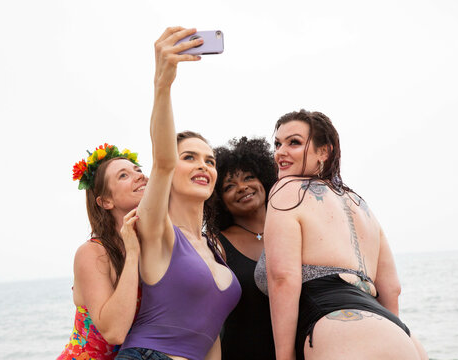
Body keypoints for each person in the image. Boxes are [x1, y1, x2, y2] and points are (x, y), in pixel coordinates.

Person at [254, 110, 428, 360]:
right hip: (400, 335)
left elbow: (283, 278)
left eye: (294, 142)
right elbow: (392, 288)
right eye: (277, 143)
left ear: (324, 151)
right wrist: (394, 333)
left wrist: (284, 356)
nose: (280, 152)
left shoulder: (286, 189)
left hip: (339, 328)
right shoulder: (360, 204)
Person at [116, 27, 241, 360]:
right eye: (190, 157)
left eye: (209, 161)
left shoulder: (213, 246)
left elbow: (212, 334)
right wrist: (163, 84)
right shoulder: (158, 230)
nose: (203, 166)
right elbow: (162, 162)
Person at [58, 143, 146, 360]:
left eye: (138, 170)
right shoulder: (92, 253)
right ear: (105, 201)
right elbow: (114, 332)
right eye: (124, 175)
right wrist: (132, 253)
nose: (140, 176)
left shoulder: (155, 245)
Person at [204, 137, 277, 359]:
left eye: (249, 177)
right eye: (229, 186)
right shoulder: (215, 244)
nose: (242, 187)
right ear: (219, 200)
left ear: (264, 180)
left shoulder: (296, 229)